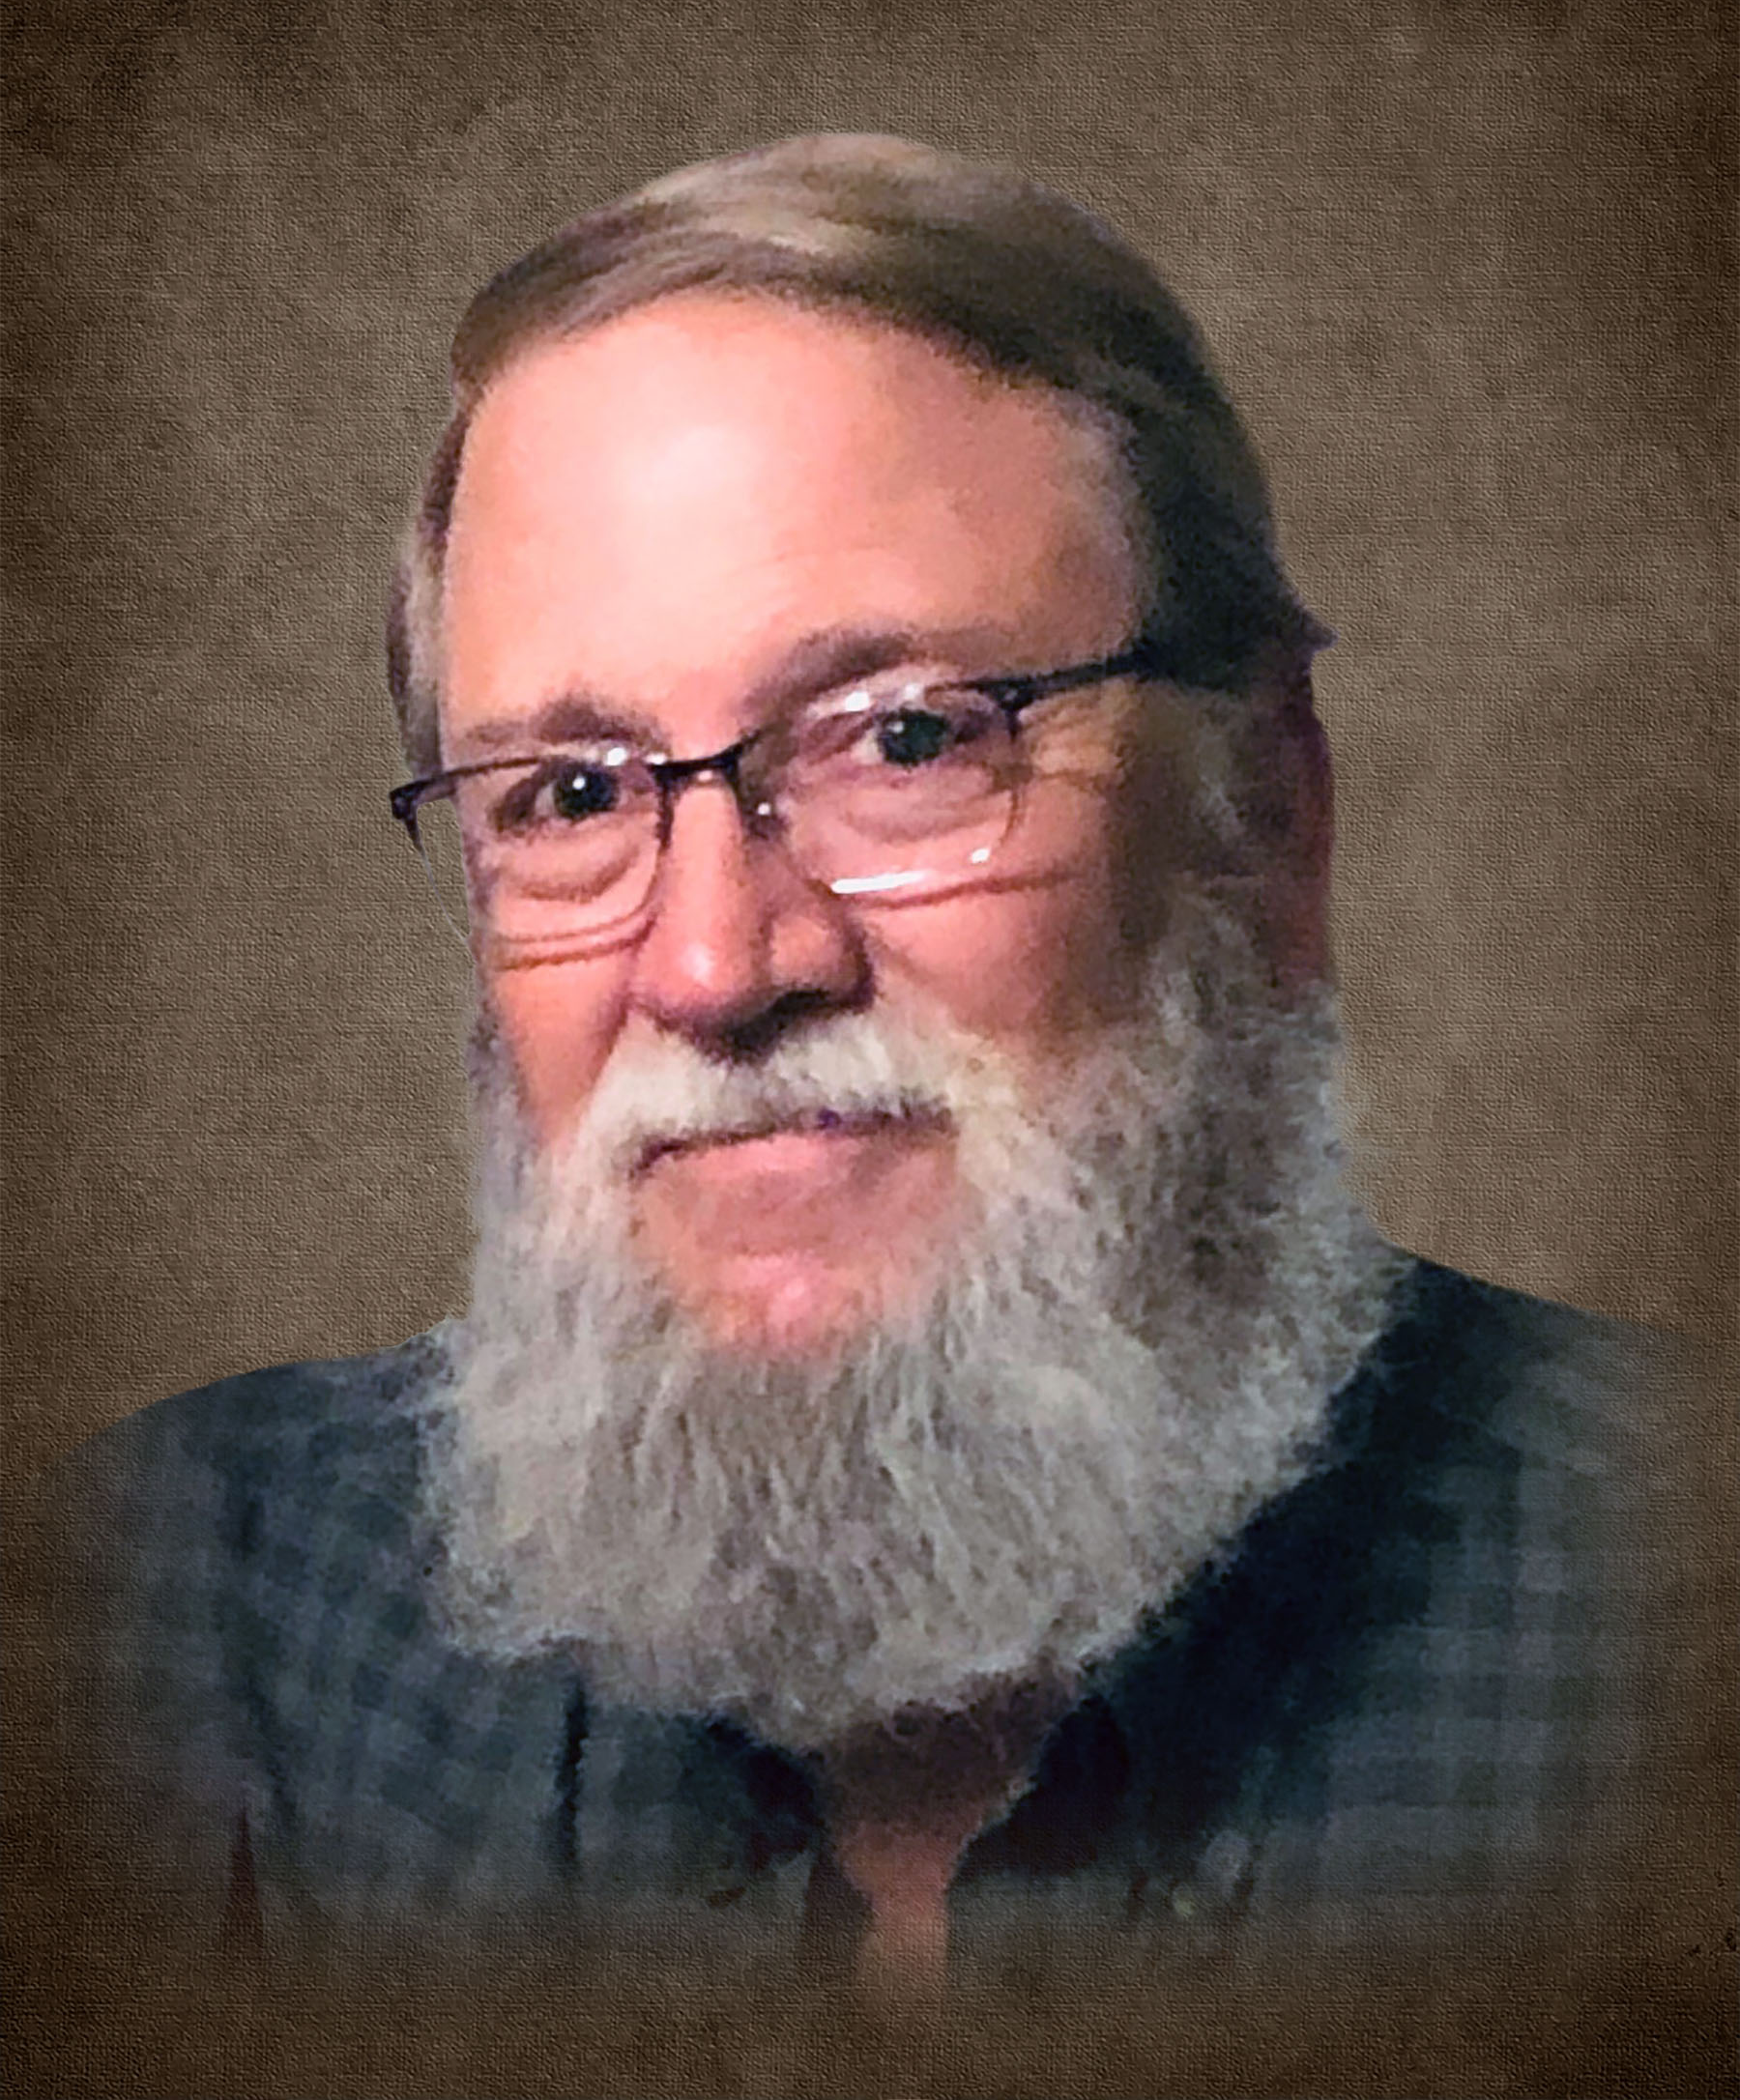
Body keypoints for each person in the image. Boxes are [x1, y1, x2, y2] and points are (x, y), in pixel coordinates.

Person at [43, 135, 1700, 1999]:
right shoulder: (188, 1615)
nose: (715, 963)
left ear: (1261, 821)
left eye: (905, 741)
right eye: (570, 796)